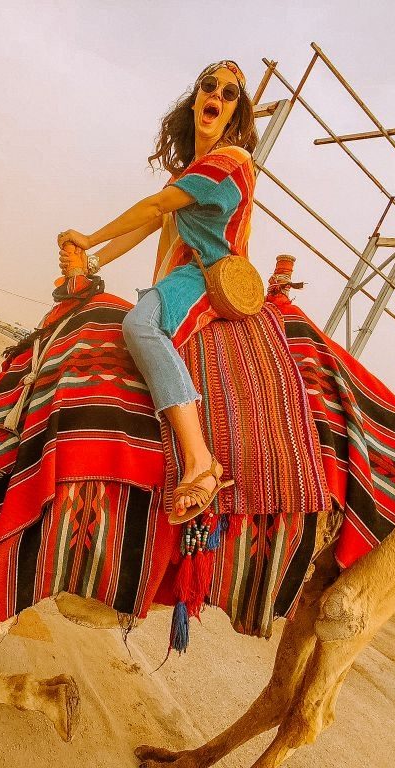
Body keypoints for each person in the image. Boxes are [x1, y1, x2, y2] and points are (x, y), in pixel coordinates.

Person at [57, 60, 257, 525]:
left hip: (208, 275)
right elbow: (152, 222)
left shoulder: (232, 161)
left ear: (234, 114)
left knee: (140, 325)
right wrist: (92, 262)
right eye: (211, 87)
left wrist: (88, 239)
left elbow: (153, 205)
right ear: (196, 100)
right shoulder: (192, 172)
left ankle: (200, 461)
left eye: (230, 95)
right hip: (180, 275)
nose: (219, 96)